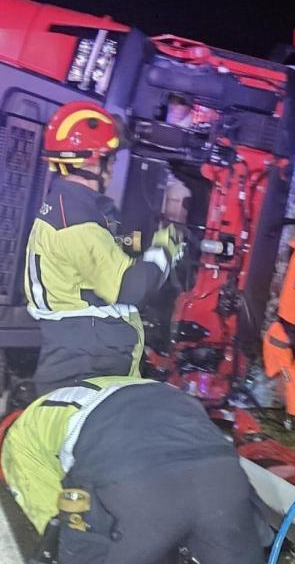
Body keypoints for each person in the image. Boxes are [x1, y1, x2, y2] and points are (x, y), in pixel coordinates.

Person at [0, 375, 266, 564]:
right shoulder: (91, 391)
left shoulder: (19, 441)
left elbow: (58, 525)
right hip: (221, 475)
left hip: (133, 484)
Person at [23, 101, 184, 396]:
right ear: (92, 162)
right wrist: (168, 243)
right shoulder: (76, 222)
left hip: (81, 354)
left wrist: (129, 244)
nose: (112, 169)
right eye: (110, 159)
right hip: (89, 364)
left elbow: (91, 258)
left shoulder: (67, 205)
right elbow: (130, 290)